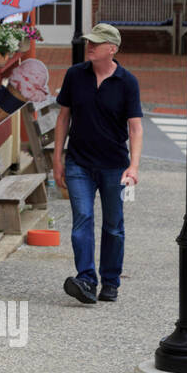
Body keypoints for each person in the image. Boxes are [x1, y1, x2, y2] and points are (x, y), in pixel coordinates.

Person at [52, 23, 143, 305]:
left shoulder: (127, 82)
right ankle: (87, 280)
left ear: (112, 49)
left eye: (96, 43)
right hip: (79, 162)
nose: (89, 46)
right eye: (88, 41)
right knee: (82, 218)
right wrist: (58, 158)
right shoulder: (75, 75)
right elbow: (63, 118)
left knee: (113, 225)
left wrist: (134, 167)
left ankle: (111, 281)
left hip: (115, 165)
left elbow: (136, 128)